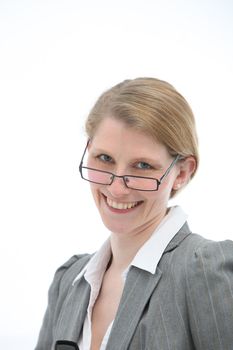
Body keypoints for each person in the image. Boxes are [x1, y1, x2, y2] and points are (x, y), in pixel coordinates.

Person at [35, 78, 233, 350]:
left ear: (182, 172)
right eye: (104, 158)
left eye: (142, 165)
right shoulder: (69, 280)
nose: (116, 189)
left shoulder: (206, 270)